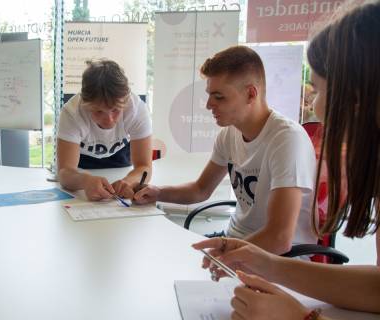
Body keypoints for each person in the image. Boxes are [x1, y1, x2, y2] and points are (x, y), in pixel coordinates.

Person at [193, 2, 380, 318]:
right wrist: (265, 264)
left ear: (360, 98)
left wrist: (301, 317)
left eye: (319, 91)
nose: (316, 108)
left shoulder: (287, 136)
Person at [134, 45, 317, 255]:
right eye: (210, 95)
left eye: (219, 97)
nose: (209, 105)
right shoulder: (229, 134)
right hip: (236, 242)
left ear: (251, 94)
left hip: (280, 261)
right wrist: (157, 193)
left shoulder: (287, 139)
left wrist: (222, 255)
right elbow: (200, 190)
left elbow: (279, 239)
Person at [56, 59, 152, 201]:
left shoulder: (137, 110)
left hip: (121, 163)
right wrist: (85, 181)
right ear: (85, 103)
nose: (109, 120)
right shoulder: (72, 112)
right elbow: (64, 173)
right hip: (82, 166)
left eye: (115, 110)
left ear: (126, 100)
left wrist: (129, 182)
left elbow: (144, 166)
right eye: (98, 111)